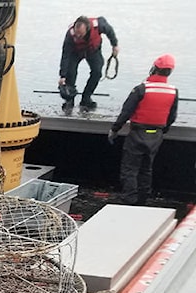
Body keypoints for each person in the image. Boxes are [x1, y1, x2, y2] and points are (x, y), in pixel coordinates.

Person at [108, 54, 179, 206]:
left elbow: (126, 112)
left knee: (130, 169)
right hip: (156, 135)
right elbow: (172, 116)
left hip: (137, 133)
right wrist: (162, 130)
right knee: (146, 168)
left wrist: (115, 129)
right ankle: (143, 200)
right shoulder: (173, 91)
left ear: (154, 68)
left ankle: (129, 200)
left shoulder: (142, 88)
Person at [58, 16, 119, 112]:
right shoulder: (70, 35)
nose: (78, 36)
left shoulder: (99, 25)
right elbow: (65, 55)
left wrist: (114, 45)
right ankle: (69, 100)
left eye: (81, 34)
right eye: (77, 34)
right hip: (76, 52)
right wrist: (62, 75)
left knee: (97, 72)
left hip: (93, 50)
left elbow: (110, 31)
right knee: (71, 73)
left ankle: (86, 98)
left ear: (87, 29)